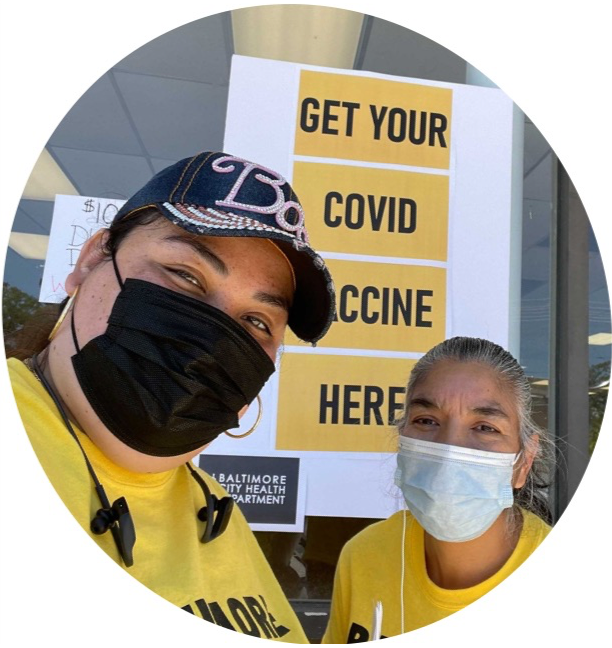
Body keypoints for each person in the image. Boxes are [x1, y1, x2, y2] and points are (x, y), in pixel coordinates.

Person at [7, 150, 336, 642]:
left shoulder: (215, 507)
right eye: (185, 275)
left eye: (256, 322)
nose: (212, 340)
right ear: (94, 257)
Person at [322, 336, 553, 642]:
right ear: (402, 436)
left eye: (485, 427)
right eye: (427, 420)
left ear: (524, 461)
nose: (448, 450)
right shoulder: (364, 557)